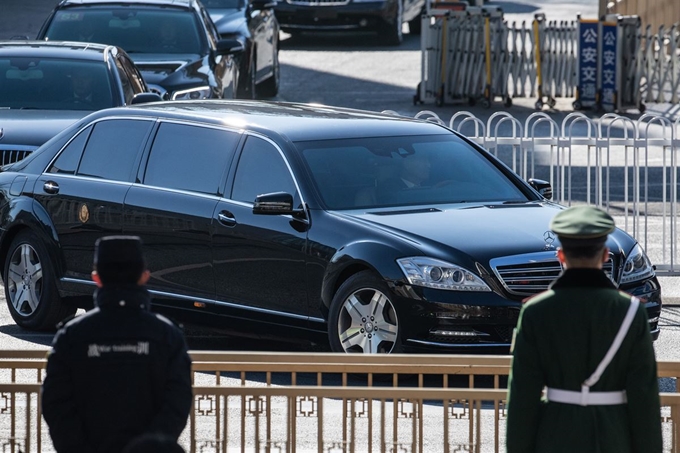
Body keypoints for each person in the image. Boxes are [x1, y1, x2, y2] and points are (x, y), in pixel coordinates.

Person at [506, 205, 662, 453]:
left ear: (561, 256)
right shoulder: (631, 312)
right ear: (605, 255)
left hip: (554, 437)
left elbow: (523, 397)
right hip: (613, 438)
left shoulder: (535, 312)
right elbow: (643, 398)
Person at [41, 236, 193, 453]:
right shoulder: (167, 335)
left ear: (97, 278)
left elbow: (56, 403)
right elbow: (177, 403)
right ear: (144, 277)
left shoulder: (71, 336)